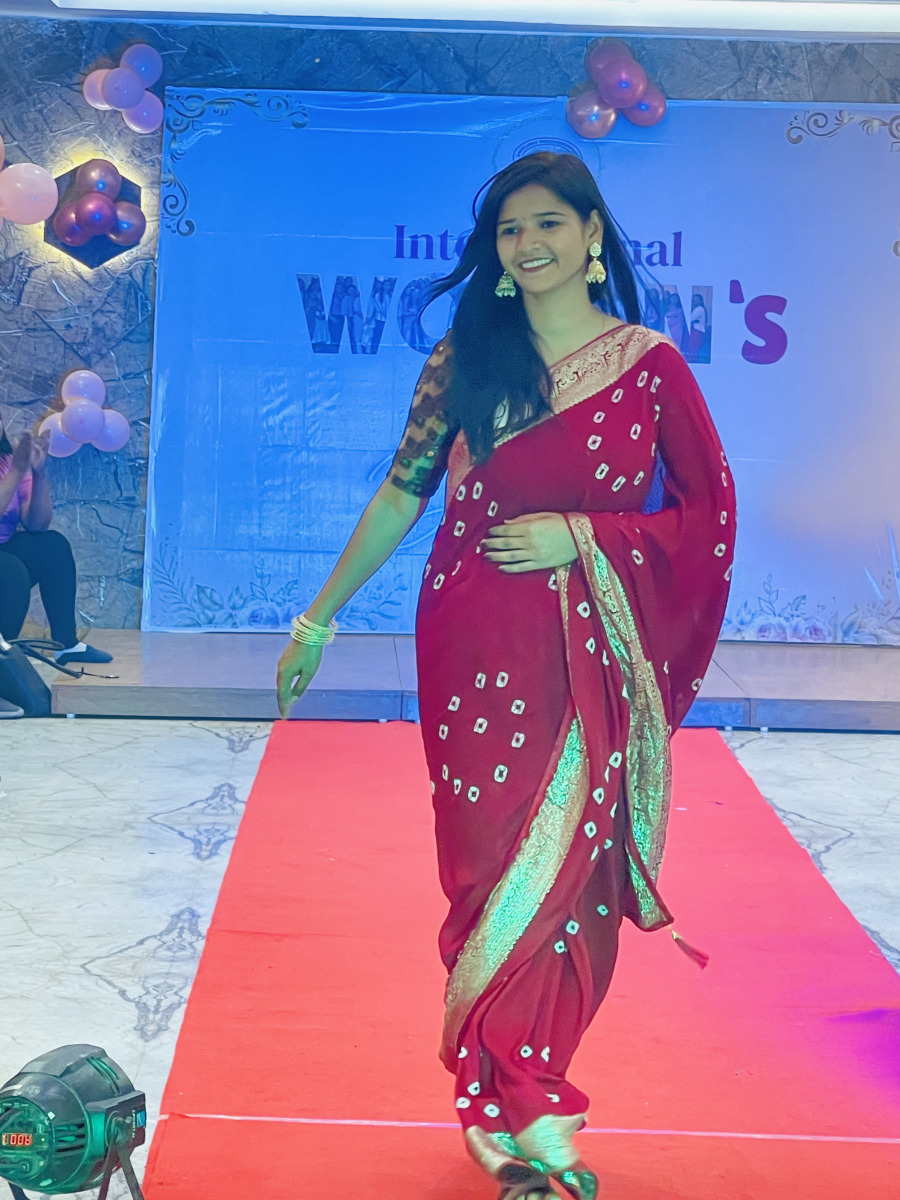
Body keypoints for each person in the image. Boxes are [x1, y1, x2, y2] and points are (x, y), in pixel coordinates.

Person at [276, 152, 736, 1200]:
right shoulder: (467, 358)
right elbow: (402, 495)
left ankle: (529, 1095)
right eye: (508, 231)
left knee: (574, 867)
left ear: (591, 235)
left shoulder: (650, 365)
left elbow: (707, 514)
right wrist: (318, 619)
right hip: (475, 638)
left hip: (591, 652)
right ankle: (495, 1097)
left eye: (546, 225)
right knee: (490, 867)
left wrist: (585, 534)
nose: (526, 246)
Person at [0, 417, 112, 667]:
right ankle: (4, 659)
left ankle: (66, 645)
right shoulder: (14, 467)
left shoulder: (9, 462)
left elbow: (37, 525)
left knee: (52, 545)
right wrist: (17, 472)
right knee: (10, 570)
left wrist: (37, 473)